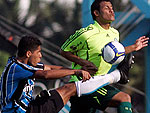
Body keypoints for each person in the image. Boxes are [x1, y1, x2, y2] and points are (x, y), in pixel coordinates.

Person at [0, 35, 133, 113]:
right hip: (22, 111)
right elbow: (45, 75)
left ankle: (117, 75)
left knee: (70, 89)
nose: (41, 56)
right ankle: (116, 76)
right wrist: (75, 71)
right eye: (38, 53)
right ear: (28, 54)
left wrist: (81, 69)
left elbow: (50, 68)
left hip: (30, 108)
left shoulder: (26, 64)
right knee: (69, 88)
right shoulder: (16, 67)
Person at [60, 0, 149, 113]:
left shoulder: (114, 33)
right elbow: (64, 51)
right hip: (83, 82)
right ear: (96, 13)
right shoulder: (86, 33)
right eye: (107, 8)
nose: (112, 10)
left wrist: (134, 47)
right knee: (124, 98)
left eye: (112, 7)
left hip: (99, 81)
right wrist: (83, 62)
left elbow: (115, 53)